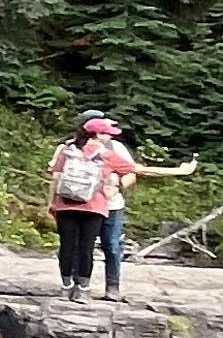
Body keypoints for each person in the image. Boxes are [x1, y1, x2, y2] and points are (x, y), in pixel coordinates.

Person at [76, 112, 197, 298]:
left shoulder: (115, 147)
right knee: (82, 246)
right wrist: (178, 171)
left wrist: (117, 185)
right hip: (85, 205)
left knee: (112, 245)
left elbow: (131, 173)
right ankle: (79, 285)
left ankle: (112, 287)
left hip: (112, 205)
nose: (110, 132)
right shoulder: (73, 148)